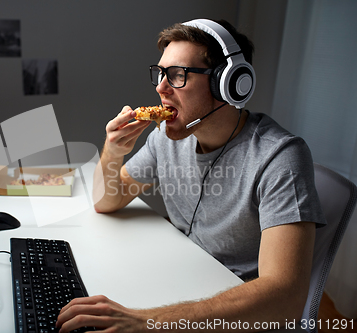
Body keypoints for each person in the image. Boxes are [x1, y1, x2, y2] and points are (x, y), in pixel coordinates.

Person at [56, 19, 325, 332]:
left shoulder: (279, 157)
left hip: (239, 316)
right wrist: (113, 152)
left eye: (177, 76)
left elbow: (286, 299)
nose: (160, 88)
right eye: (160, 74)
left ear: (227, 84)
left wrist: (147, 322)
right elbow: (106, 201)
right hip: (184, 283)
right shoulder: (164, 138)